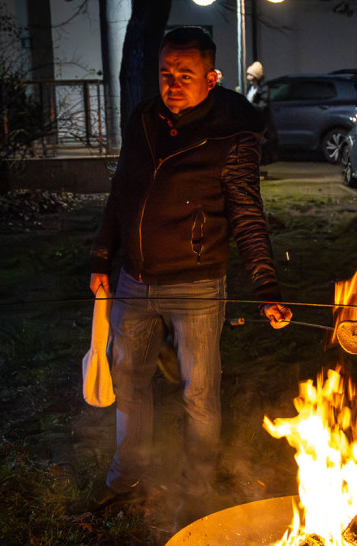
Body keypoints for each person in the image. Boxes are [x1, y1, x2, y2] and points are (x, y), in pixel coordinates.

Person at [88, 26, 292, 512]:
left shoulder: (231, 133)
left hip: (196, 283)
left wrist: (265, 283)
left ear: (212, 77)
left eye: (185, 74)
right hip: (133, 280)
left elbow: (246, 211)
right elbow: (122, 192)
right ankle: (127, 474)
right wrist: (102, 255)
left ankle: (197, 486)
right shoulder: (143, 119)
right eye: (165, 73)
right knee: (130, 382)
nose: (172, 84)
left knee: (199, 392)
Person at [245, 61, 279, 165]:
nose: (248, 77)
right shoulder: (251, 88)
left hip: (259, 122)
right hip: (251, 121)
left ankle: (259, 166)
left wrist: (249, 106)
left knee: (259, 144)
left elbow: (262, 106)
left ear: (256, 76)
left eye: (250, 75)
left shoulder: (263, 89)